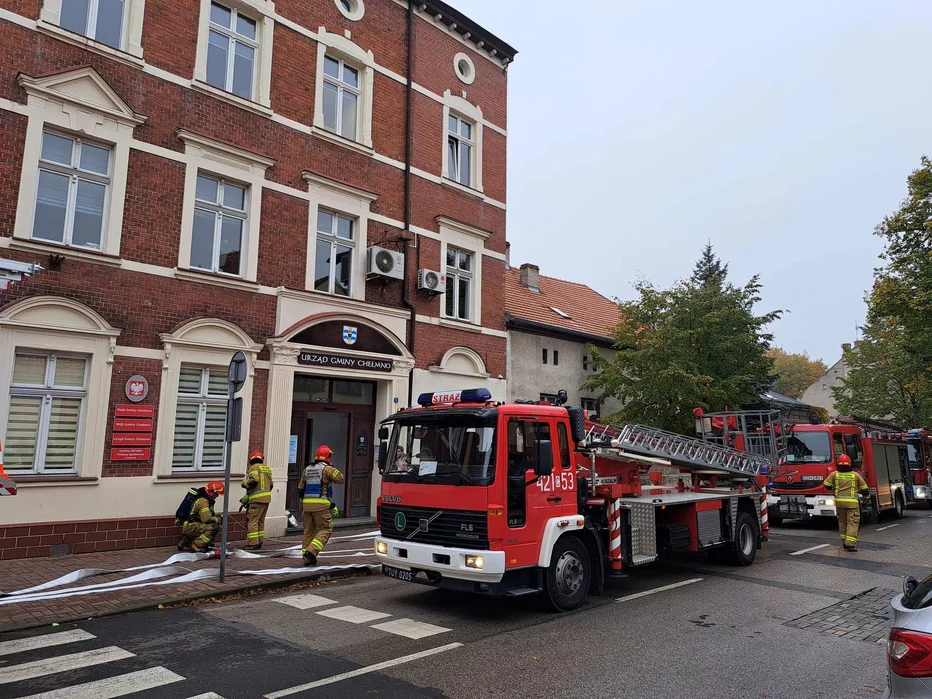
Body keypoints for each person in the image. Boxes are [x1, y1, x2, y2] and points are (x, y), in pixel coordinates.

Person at [297, 445, 344, 566]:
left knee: (308, 531)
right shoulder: (327, 469)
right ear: (328, 457)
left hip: (307, 506)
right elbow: (340, 479)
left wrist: (304, 503)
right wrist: (331, 467)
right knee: (326, 528)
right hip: (321, 505)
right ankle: (311, 551)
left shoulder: (307, 469)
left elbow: (300, 488)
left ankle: (306, 559)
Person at [823, 454, 869, 551]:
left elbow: (826, 484)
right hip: (852, 505)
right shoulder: (855, 475)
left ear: (838, 464)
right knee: (852, 523)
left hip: (839, 504)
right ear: (850, 464)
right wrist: (863, 493)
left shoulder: (834, 474)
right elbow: (865, 489)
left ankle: (844, 543)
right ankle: (851, 544)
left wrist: (834, 488)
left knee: (842, 523)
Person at [180, 481, 224, 553]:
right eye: (216, 493)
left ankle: (185, 540)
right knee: (214, 527)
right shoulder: (204, 501)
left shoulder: (206, 499)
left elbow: (205, 514)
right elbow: (206, 519)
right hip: (192, 526)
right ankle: (196, 545)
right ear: (211, 491)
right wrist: (218, 519)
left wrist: (216, 515)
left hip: (192, 525)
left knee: (210, 529)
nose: (217, 496)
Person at [242, 449, 273, 550]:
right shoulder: (267, 468)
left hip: (256, 499)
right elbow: (271, 484)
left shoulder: (253, 468)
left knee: (253, 521)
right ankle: (259, 541)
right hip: (267, 499)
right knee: (260, 521)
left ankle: (252, 543)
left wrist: (244, 484)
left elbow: (254, 480)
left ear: (251, 459)